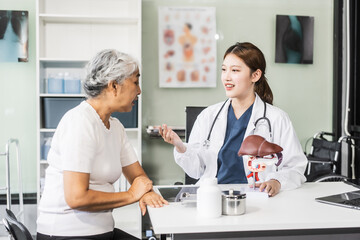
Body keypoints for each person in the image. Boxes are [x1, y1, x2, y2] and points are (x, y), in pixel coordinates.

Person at [37, 49, 168, 240]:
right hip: (66, 234)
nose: (139, 90)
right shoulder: (80, 122)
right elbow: (76, 198)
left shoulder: (115, 127)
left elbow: (138, 177)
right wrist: (132, 195)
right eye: (135, 82)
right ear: (114, 86)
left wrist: (145, 192)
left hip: (100, 231)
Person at [159, 42, 307, 197]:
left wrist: (276, 181)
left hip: (258, 197)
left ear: (255, 75)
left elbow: (296, 167)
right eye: (224, 70)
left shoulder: (277, 118)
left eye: (235, 70)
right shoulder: (208, 116)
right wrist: (180, 146)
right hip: (214, 197)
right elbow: (196, 171)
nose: (226, 77)